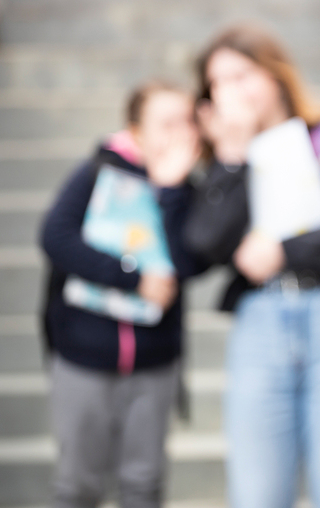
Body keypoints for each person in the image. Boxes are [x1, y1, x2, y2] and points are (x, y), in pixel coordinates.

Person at [183, 26, 320, 508]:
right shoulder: (225, 161)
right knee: (257, 489)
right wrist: (231, 157)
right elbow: (201, 245)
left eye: (241, 75)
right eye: (218, 82)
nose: (230, 91)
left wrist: (285, 250)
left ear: (274, 75)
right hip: (261, 321)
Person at [40, 81, 205, 508]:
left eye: (188, 122)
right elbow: (55, 237)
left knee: (143, 486)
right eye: (166, 124)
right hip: (84, 357)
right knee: (78, 487)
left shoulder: (188, 191)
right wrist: (133, 277)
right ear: (135, 133)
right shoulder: (96, 171)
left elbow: (191, 263)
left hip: (155, 362)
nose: (182, 133)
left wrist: (169, 192)